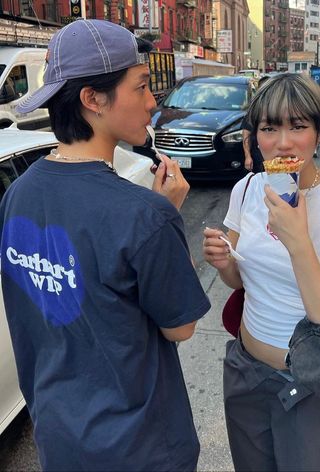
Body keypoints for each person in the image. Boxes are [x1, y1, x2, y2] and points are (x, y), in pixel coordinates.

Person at [0, 19, 210, 471]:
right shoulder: (144, 214)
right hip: (141, 447)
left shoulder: (17, 194)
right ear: (93, 99)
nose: (153, 102)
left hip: (59, 438)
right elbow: (181, 326)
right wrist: (168, 213)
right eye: (140, 88)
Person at [203, 73, 320, 471]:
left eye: (297, 126)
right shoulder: (246, 190)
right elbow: (240, 282)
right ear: (255, 137)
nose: (283, 142)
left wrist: (298, 241)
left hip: (312, 389)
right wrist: (225, 261)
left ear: (318, 131)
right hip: (246, 374)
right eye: (269, 128)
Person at [243, 75, 270, 171]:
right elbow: (246, 135)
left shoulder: (280, 110)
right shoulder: (253, 111)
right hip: (258, 159)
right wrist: (248, 156)